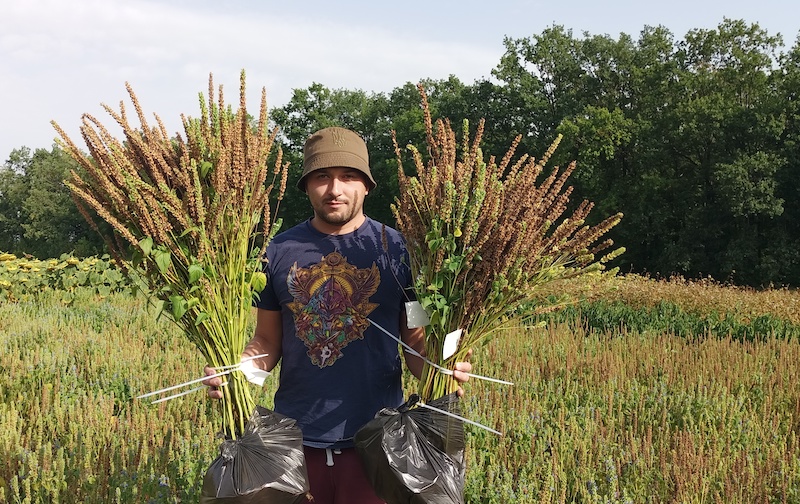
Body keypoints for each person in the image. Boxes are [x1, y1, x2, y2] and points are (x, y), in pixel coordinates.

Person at [203, 126, 472, 504]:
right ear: (308, 186)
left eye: (348, 177)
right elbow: (266, 342)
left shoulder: (400, 252)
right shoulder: (277, 251)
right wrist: (237, 373)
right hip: (293, 446)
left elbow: (414, 339)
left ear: (365, 185)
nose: (335, 189)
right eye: (321, 177)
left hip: (379, 445)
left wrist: (440, 367)